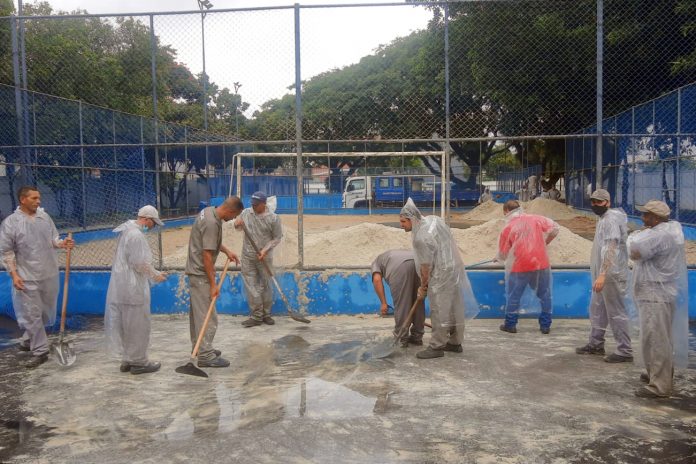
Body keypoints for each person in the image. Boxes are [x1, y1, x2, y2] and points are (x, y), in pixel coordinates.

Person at [0, 186, 74, 368]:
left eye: (39, 198)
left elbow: (53, 239)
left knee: (44, 312)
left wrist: (62, 243)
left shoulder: (44, 218)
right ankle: (41, 351)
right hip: (26, 277)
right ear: (23, 200)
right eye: (34, 198)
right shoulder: (11, 223)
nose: (38, 201)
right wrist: (14, 274)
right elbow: (6, 252)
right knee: (31, 314)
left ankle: (27, 339)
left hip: (49, 273)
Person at [399, 198, 478, 359]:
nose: (401, 225)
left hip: (440, 275)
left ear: (412, 219)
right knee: (455, 308)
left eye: (403, 222)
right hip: (452, 268)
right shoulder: (434, 220)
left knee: (439, 311)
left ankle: (436, 346)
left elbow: (425, 267)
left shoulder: (420, 238)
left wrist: (423, 286)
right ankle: (455, 342)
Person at [627, 200, 689, 399]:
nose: (643, 218)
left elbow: (634, 251)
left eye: (646, 215)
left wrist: (633, 237)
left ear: (655, 218)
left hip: (654, 293)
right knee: (659, 337)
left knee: (655, 338)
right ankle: (657, 373)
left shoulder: (659, 235)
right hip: (661, 292)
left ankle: (660, 386)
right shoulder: (672, 229)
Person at [104, 205, 167, 375]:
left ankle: (128, 359)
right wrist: (156, 275)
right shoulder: (136, 235)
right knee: (138, 326)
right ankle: (139, 362)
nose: (153, 226)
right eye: (153, 223)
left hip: (121, 287)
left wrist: (154, 273)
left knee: (126, 325)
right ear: (147, 219)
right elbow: (139, 263)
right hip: (133, 289)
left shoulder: (127, 231)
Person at [185, 196, 243, 368]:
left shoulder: (209, 212)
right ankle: (205, 356)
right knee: (207, 317)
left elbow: (209, 242)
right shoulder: (212, 223)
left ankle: (200, 348)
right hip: (201, 273)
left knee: (198, 315)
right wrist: (213, 284)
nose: (233, 219)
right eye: (234, 216)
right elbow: (207, 255)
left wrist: (226, 251)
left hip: (196, 272)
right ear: (231, 211)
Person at [575, 189, 632, 363]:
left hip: (611, 274)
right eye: (593, 202)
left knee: (616, 312)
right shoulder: (605, 218)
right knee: (597, 308)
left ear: (607, 202)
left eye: (599, 202)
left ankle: (625, 350)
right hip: (604, 273)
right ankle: (596, 343)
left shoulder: (610, 220)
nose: (595, 205)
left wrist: (603, 274)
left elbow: (611, 247)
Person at [497, 200, 559, 334]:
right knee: (545, 295)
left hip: (521, 265)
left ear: (506, 211)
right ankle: (545, 326)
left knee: (514, 296)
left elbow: (503, 254)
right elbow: (555, 229)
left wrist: (498, 258)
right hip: (540, 263)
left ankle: (510, 324)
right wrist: (545, 242)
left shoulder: (508, 227)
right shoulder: (536, 219)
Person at [235, 191, 283, 328]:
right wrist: (237, 224)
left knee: (266, 284)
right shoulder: (246, 213)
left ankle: (266, 314)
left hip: (264, 257)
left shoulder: (273, 218)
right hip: (248, 255)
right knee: (250, 284)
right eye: (252, 204)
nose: (254, 207)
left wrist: (264, 250)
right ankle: (256, 315)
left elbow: (277, 238)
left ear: (263, 204)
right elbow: (238, 227)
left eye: (256, 205)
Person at [371, 250, 425, 347]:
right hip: (419, 263)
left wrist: (383, 303)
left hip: (399, 268)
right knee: (418, 302)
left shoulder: (376, 261)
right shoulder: (391, 255)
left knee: (402, 305)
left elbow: (377, 280)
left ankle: (401, 339)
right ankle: (417, 337)